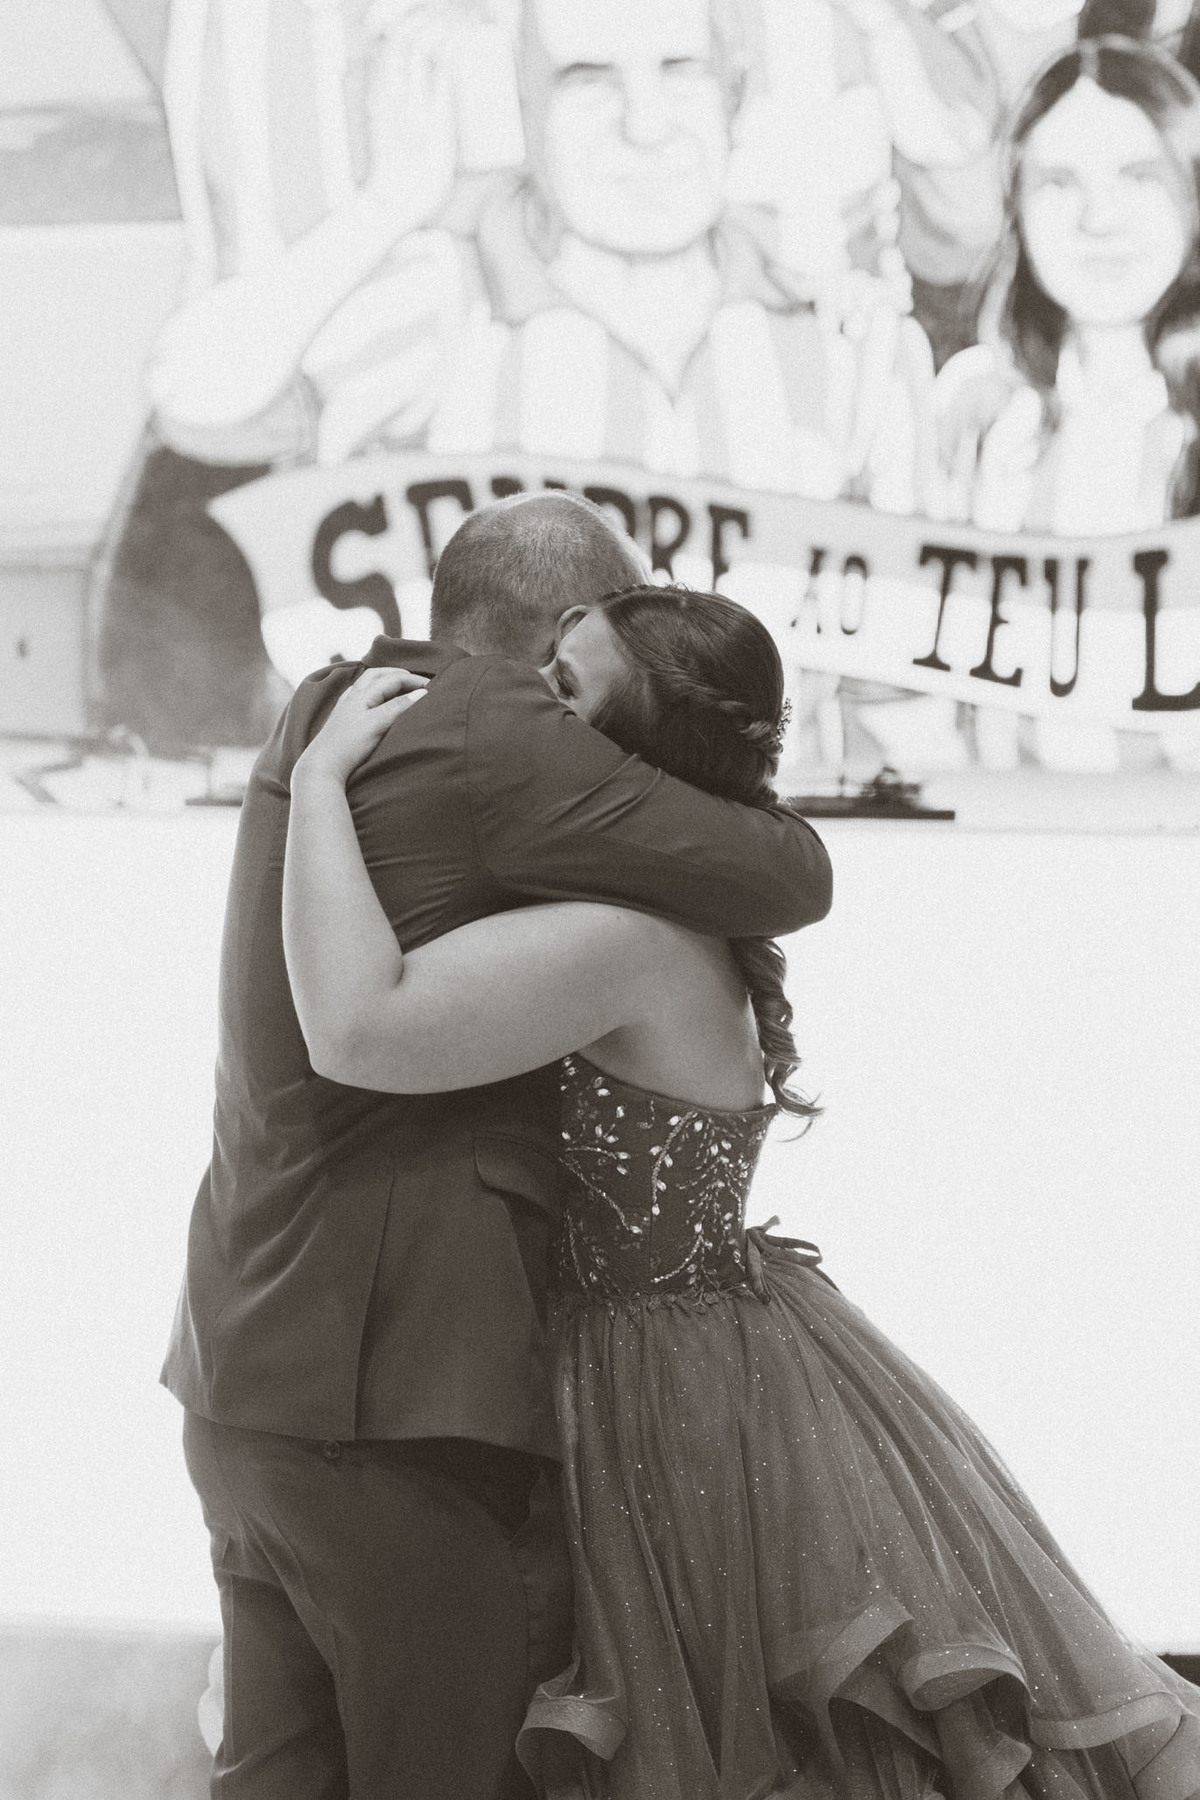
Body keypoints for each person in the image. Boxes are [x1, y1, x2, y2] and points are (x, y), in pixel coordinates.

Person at [282, 580, 1200, 1800]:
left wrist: (312, 783)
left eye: (564, 689)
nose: (525, 708)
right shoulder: (683, 911)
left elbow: (359, 1024)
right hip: (728, 1347)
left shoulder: (622, 938)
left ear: (631, 753)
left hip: (660, 1390)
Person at [162, 489, 834, 1799]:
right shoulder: (500, 725)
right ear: (567, 630)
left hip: (239, 1371)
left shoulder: (326, 706)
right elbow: (791, 875)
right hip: (398, 1405)